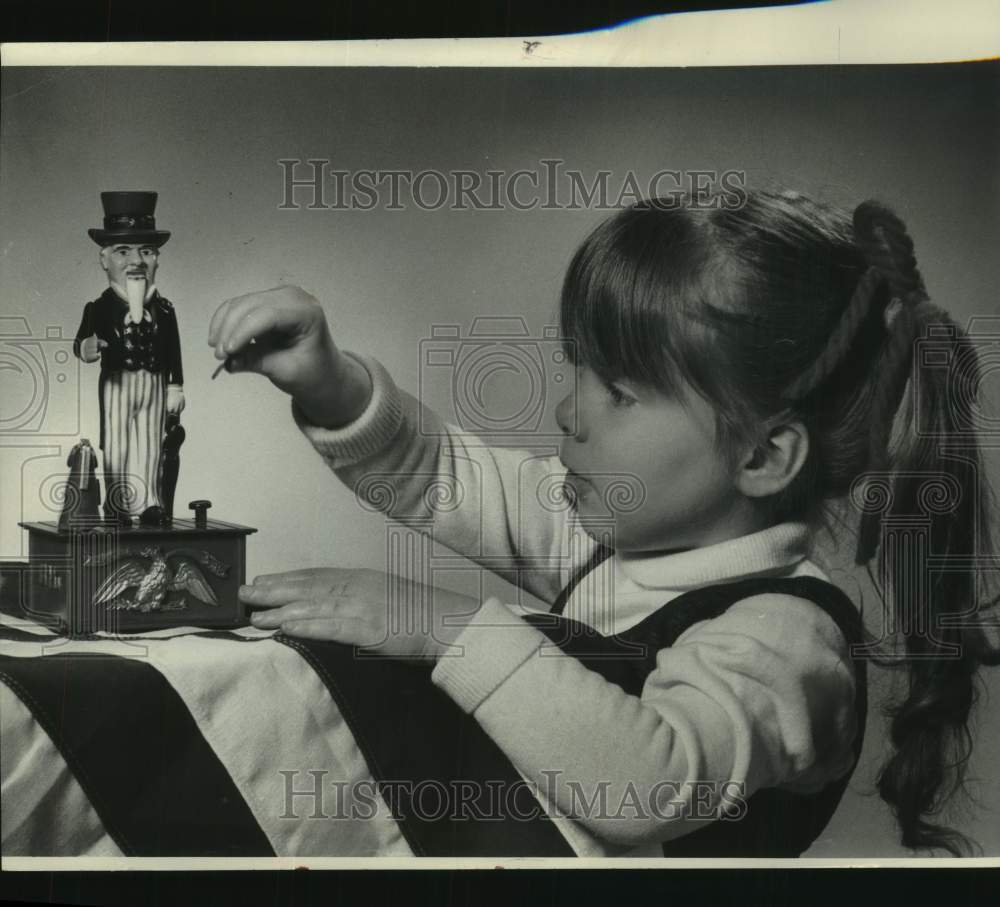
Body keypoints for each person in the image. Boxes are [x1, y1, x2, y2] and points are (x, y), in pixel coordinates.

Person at [210, 189, 1000, 857]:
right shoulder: (606, 537)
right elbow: (442, 474)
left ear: (763, 455)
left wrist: (446, 630)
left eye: (618, 391)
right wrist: (329, 383)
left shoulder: (789, 639)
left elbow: (644, 780)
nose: (566, 410)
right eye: (575, 370)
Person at [73, 191, 185, 526]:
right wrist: (86, 347)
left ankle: (150, 501)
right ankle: (118, 502)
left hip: (154, 382)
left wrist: (176, 385)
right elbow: (81, 340)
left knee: (151, 442)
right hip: (117, 384)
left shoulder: (164, 310)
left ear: (156, 260)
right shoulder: (99, 308)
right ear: (105, 259)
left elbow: (174, 350)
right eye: (123, 251)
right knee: (118, 443)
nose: (136, 261)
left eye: (146, 251)